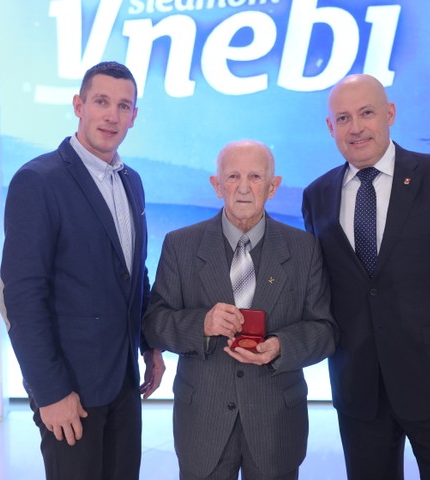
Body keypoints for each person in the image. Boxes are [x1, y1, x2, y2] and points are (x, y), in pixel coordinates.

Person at [302, 74, 430, 480]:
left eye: (366, 113)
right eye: (343, 118)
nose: (356, 127)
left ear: (390, 114)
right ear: (330, 127)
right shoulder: (317, 195)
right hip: (359, 392)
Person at [0, 61, 165, 479]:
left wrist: (150, 346)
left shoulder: (132, 182)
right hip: (69, 391)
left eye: (123, 106)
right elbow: (21, 296)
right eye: (101, 102)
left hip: (123, 384)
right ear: (79, 105)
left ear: (134, 116)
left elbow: (134, 274)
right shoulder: (38, 181)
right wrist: (50, 392)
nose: (112, 115)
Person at [143, 139, 339, 480]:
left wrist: (281, 346)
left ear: (273, 186)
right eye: (233, 177)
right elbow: (154, 324)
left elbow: (325, 331)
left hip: (276, 423)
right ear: (217, 185)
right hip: (203, 423)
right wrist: (202, 324)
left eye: (255, 177)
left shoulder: (304, 248)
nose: (244, 188)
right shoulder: (180, 245)